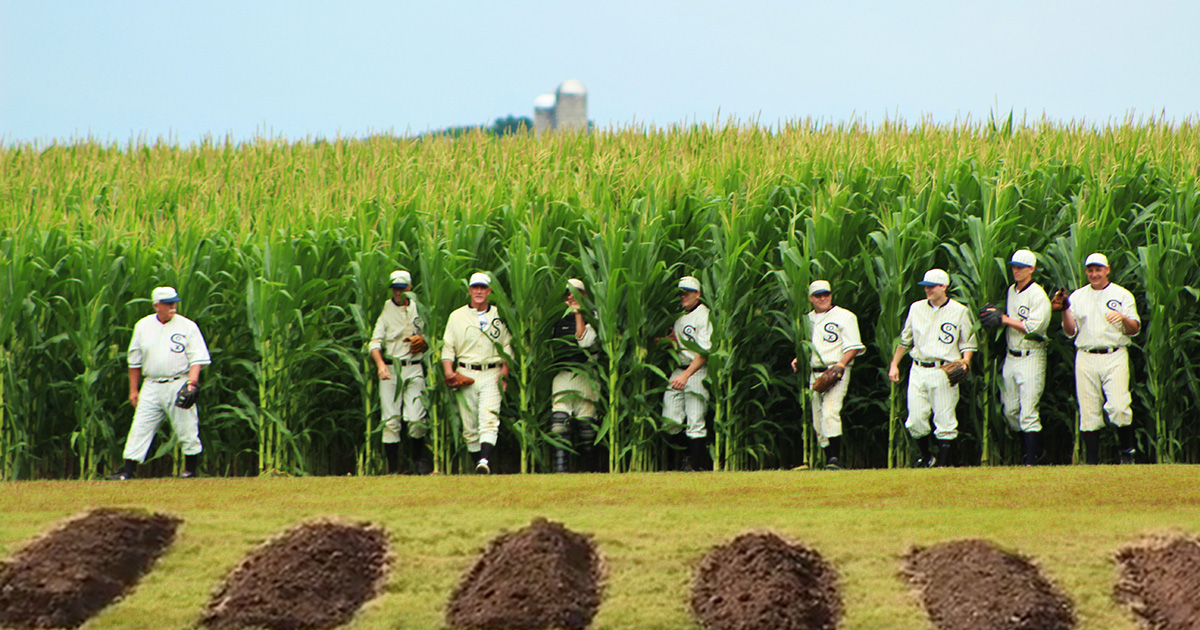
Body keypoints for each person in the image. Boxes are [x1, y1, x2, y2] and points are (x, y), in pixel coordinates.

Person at [107, 286, 211, 480]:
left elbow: (197, 358)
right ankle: (128, 471)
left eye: (174, 302)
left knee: (186, 427)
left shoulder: (187, 326)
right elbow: (134, 362)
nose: (173, 306)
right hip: (151, 385)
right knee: (140, 426)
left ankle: (190, 470)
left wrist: (192, 383)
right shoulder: (143, 326)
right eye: (168, 303)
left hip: (178, 382)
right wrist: (133, 390)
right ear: (157, 305)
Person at [888, 269, 977, 467]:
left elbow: (968, 342)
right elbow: (905, 340)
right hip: (918, 367)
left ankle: (943, 465)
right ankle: (927, 457)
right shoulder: (916, 308)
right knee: (916, 419)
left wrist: (965, 362)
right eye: (925, 286)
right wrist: (894, 364)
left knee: (945, 418)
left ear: (943, 287)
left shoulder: (959, 310)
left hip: (944, 369)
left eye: (931, 286)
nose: (927, 290)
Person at [1061, 253, 1141, 465]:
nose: (1094, 274)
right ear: (1086, 271)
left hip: (1114, 354)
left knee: (1119, 406)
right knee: (1088, 410)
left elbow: (1134, 329)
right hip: (1086, 354)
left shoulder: (1121, 295)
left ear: (1107, 269)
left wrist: (1123, 318)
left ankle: (1127, 453)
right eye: (1090, 270)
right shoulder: (1077, 296)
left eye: (1098, 269)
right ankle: (1092, 463)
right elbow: (1070, 331)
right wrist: (1063, 310)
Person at [442, 272, 512, 474]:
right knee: (470, 427)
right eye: (475, 288)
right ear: (469, 291)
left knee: (489, 418)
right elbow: (448, 347)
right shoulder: (457, 316)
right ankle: (479, 465)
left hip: (492, 371)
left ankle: (484, 461)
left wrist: (505, 372)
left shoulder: (499, 314)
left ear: (489, 291)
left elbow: (507, 345)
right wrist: (449, 372)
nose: (479, 291)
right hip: (466, 373)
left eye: (483, 288)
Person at [790, 280, 864, 470]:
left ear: (831, 295)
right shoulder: (807, 319)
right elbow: (808, 347)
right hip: (814, 372)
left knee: (830, 412)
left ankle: (834, 459)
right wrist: (799, 359)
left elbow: (854, 347)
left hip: (836, 370)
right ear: (810, 298)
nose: (822, 298)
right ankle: (828, 459)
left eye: (826, 294)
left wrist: (840, 365)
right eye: (817, 295)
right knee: (818, 420)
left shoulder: (845, 316)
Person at [368, 269, 430, 475]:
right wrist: (380, 365)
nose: (398, 293)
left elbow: (429, 338)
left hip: (414, 367)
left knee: (416, 419)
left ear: (409, 288)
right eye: (395, 288)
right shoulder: (386, 310)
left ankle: (418, 462)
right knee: (391, 419)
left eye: (402, 289)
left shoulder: (417, 309)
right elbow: (375, 342)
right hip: (392, 369)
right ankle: (392, 470)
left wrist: (424, 343)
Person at [997, 249, 1051, 466]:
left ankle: (1030, 462)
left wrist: (1003, 319)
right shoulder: (1012, 290)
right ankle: (1037, 451)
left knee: (1028, 410)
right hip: (1012, 356)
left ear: (1032, 269)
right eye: (1014, 266)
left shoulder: (1038, 295)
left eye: (1021, 267)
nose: (1016, 270)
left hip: (1031, 354)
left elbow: (1032, 328)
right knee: (1010, 410)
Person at [660, 275, 712, 471]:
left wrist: (686, 375)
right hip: (679, 369)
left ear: (698, 294)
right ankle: (687, 458)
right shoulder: (680, 316)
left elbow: (704, 352)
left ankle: (694, 466)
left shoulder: (704, 315)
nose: (684, 296)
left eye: (688, 292)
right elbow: (677, 341)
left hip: (696, 370)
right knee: (670, 420)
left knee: (695, 419)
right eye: (681, 293)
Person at [548, 278, 600, 473]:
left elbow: (584, 342)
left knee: (587, 430)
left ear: (584, 295)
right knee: (559, 426)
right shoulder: (557, 318)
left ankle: (591, 472)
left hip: (586, 375)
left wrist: (579, 313)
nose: (571, 296)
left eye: (576, 292)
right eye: (568, 293)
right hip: (563, 375)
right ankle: (561, 473)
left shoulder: (592, 316)